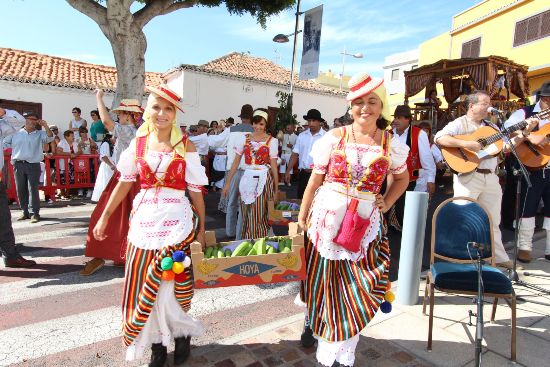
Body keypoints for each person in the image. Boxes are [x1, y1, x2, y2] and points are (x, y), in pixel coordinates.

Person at [296, 72, 409, 367]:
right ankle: (316, 323)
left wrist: (387, 202)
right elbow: (315, 179)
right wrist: (301, 216)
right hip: (326, 220)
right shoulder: (335, 137)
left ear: (381, 106)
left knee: (356, 282)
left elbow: (402, 178)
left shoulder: (390, 143)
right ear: (350, 106)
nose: (365, 108)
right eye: (359, 102)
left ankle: (344, 342)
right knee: (323, 278)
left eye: (372, 101)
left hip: (364, 223)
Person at [92, 85, 207, 366]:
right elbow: (124, 181)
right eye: (157, 107)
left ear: (175, 114)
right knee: (146, 282)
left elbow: (195, 191)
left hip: (177, 220)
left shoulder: (186, 146)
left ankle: (181, 334)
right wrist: (105, 215)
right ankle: (156, 344)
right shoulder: (138, 144)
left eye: (168, 109)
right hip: (144, 221)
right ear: (148, 110)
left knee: (174, 283)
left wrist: (201, 230)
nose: (162, 113)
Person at [434, 90, 536, 269]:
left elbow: (505, 147)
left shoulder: (492, 127)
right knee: (464, 219)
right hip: (468, 176)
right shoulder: (459, 123)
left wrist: (525, 132)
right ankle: (462, 260)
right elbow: (439, 138)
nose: (489, 107)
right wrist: (467, 144)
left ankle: (498, 258)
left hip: (490, 177)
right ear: (472, 106)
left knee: (493, 219)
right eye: (484, 103)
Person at [504, 81, 550, 263]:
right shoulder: (524, 113)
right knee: (528, 206)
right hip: (532, 165)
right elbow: (506, 132)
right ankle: (525, 247)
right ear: (544, 99)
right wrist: (532, 137)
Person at [222, 108, 279, 239]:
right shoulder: (244, 139)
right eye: (255, 123)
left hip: (265, 179)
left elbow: (274, 167)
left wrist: (276, 189)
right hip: (247, 179)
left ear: (266, 125)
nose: (257, 127)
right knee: (245, 210)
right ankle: (245, 239)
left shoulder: (272, 141)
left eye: (261, 124)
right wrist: (227, 184)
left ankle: (259, 240)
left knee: (260, 212)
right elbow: (235, 163)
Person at [208, 104, 254, 239]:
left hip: (233, 171)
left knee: (232, 202)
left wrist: (205, 137)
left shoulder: (231, 130)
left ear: (241, 116)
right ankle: (241, 234)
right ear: (252, 117)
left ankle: (230, 231)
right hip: (249, 171)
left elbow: (216, 142)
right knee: (245, 204)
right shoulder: (256, 131)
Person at [389, 105, 436, 230]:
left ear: (408, 119)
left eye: (400, 118)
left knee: (403, 210)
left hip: (409, 179)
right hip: (389, 179)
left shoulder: (418, 134)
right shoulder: (388, 134)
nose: (396, 120)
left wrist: (431, 179)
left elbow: (427, 159)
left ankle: (406, 235)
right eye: (395, 117)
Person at [0, 108, 36, 267]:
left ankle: (10, 255)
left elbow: (20, 122)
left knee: (3, 219)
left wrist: (2, 112)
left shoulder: (2, 124)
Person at [3, 112, 54, 223]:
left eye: (34, 119)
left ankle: (34, 213)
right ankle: (24, 212)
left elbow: (50, 138)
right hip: (18, 164)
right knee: (20, 189)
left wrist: (45, 126)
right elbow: (5, 143)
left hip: (33, 164)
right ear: (25, 120)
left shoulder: (40, 133)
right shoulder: (15, 132)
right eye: (30, 119)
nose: (32, 121)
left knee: (33, 189)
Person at [284, 109, 326, 198]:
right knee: (301, 199)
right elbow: (295, 155)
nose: (311, 123)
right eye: (309, 121)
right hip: (303, 174)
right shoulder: (302, 136)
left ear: (320, 122)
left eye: (314, 121)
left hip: (318, 175)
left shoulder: (326, 137)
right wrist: (288, 171)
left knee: (317, 201)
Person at [96, 94, 140, 165]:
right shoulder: (135, 130)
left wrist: (99, 97)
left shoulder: (127, 130)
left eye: (120, 113)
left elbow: (106, 121)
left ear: (127, 115)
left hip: (125, 170)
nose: (118, 116)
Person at [91, 133, 116, 202]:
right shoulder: (105, 144)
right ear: (110, 138)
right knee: (106, 182)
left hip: (112, 166)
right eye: (115, 138)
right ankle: (105, 198)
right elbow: (104, 156)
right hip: (107, 166)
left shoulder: (113, 145)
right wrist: (111, 165)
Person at [56, 130, 79, 200]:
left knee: (70, 178)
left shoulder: (75, 143)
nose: (73, 137)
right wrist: (69, 154)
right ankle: (62, 193)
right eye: (72, 136)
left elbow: (80, 151)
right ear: (66, 136)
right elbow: (58, 152)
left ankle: (67, 193)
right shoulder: (62, 143)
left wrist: (75, 154)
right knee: (62, 178)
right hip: (63, 164)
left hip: (72, 164)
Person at [77, 126, 98, 198]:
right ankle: (81, 190)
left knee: (90, 173)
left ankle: (90, 190)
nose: (84, 133)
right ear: (80, 133)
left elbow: (95, 147)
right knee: (80, 174)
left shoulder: (90, 139)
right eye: (82, 132)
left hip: (89, 158)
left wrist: (93, 145)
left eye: (85, 132)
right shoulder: (77, 140)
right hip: (80, 159)